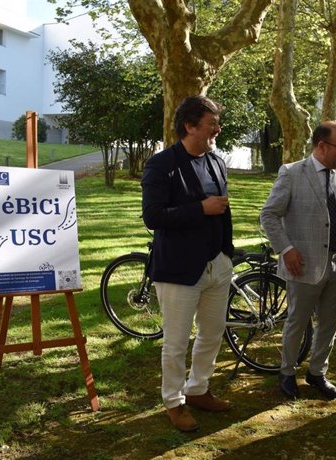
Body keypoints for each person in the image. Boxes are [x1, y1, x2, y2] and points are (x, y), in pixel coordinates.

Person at [141, 95, 234, 432]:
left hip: (217, 267)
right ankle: (174, 402)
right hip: (178, 270)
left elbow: (224, 210)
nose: (217, 129)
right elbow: (152, 217)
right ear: (190, 126)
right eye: (211, 124)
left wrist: (227, 254)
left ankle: (198, 390)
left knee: (212, 334)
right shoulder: (161, 164)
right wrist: (199, 209)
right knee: (177, 341)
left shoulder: (217, 162)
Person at [260, 121, 336, 400]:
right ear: (321, 146)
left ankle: (317, 372)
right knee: (298, 320)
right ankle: (287, 372)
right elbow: (269, 214)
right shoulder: (292, 173)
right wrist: (286, 248)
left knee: (331, 320)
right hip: (302, 262)